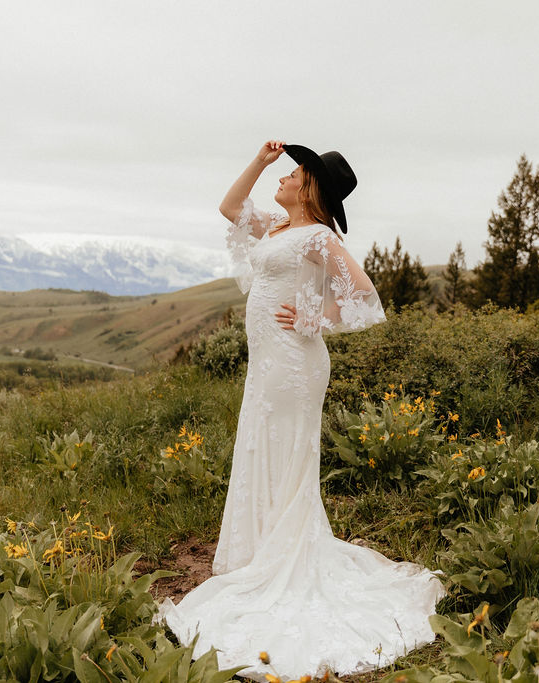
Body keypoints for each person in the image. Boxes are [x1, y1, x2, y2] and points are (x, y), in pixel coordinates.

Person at [156, 141, 445, 680]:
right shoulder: (276, 227)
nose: (284, 177)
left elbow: (364, 294)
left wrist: (317, 319)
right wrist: (260, 162)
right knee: (264, 447)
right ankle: (264, 549)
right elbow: (229, 208)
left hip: (294, 365)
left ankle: (283, 556)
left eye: (292, 173)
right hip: (268, 365)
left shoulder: (318, 236)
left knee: (286, 453)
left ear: (310, 188)